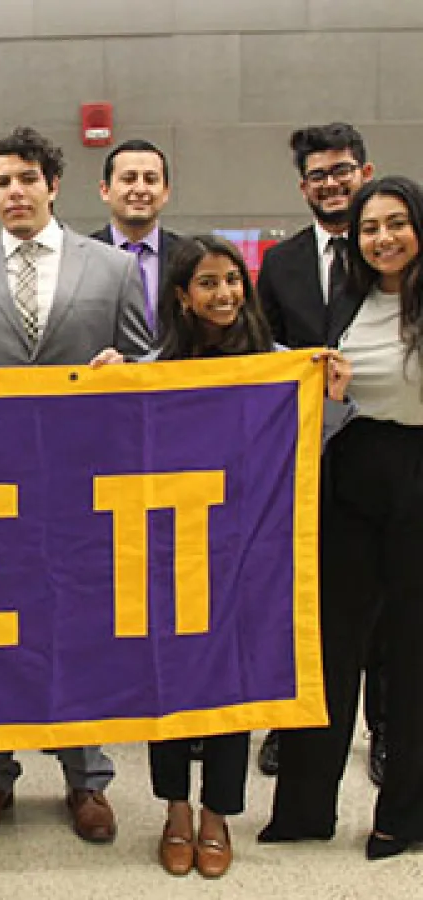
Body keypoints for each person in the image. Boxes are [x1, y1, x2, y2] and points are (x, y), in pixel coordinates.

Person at [90, 234, 353, 878]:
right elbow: (112, 443)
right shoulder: (154, 364)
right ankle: (175, 811)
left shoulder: (279, 362)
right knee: (170, 682)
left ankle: (217, 816)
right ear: (182, 296)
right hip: (168, 553)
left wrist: (336, 396)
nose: (224, 294)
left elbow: (323, 438)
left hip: (250, 555)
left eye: (233, 280)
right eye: (207, 282)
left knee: (234, 683)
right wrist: (104, 385)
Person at [0, 126, 151, 844]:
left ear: (53, 185)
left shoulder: (111, 269)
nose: (13, 193)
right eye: (0, 182)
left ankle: (88, 778)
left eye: (26, 178)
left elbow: (149, 362)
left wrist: (128, 372)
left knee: (82, 626)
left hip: (85, 483)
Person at [260, 176, 423, 860]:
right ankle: (302, 810)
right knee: (325, 647)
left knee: (414, 652)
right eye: (368, 228)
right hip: (350, 471)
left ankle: (404, 817)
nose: (383, 238)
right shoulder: (345, 303)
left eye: (396, 223)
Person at [255, 122, 381, 780]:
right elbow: (261, 350)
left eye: (343, 170)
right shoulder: (280, 262)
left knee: (381, 604)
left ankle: (381, 730)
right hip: (299, 456)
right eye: (318, 175)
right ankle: (288, 724)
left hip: (382, 447)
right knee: (294, 595)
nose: (331, 184)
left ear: (364, 173)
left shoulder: (393, 251)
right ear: (302, 186)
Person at [91, 138, 180, 338]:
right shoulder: (80, 259)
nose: (140, 189)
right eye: (129, 179)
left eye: (150, 179)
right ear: (105, 191)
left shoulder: (188, 256)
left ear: (166, 192)